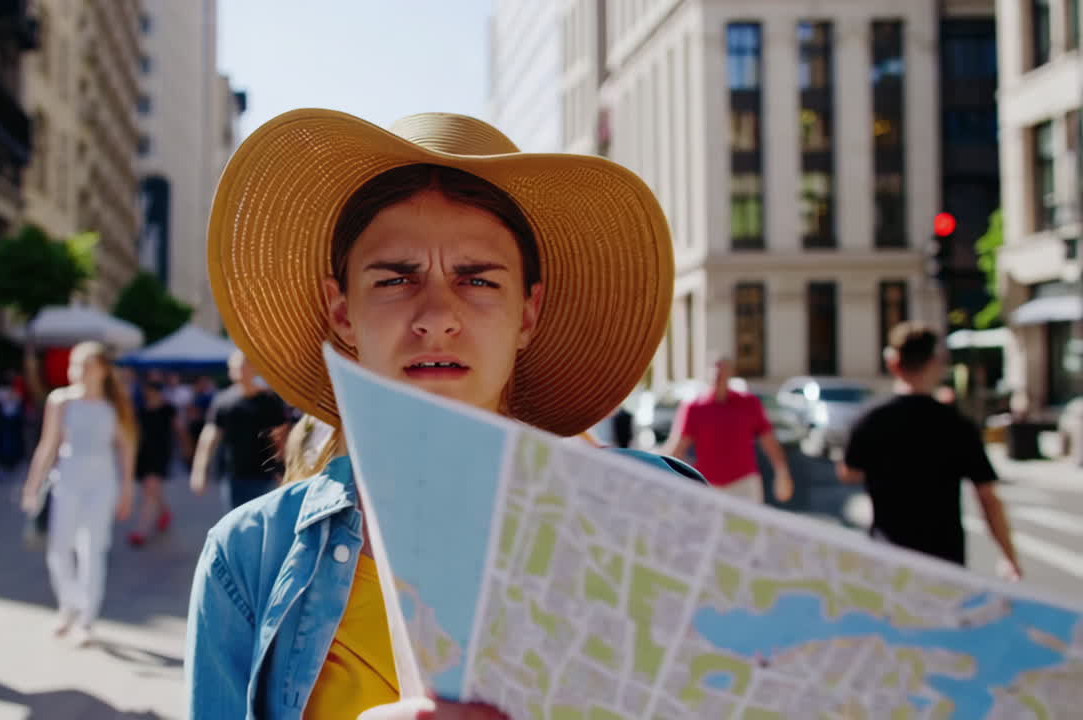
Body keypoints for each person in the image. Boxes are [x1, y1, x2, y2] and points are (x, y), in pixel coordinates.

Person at [185, 109, 703, 719]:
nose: (437, 315)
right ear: (342, 312)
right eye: (395, 279)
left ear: (528, 315)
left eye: (478, 281)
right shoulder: (247, 557)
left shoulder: (653, 511)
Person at [840, 322, 1022, 578]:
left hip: (888, 557)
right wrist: (1009, 557)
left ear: (893, 364)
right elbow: (987, 497)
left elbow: (849, 472)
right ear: (935, 363)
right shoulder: (956, 424)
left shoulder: (872, 419)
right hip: (944, 560)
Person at [22, 341, 136, 647]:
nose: (77, 371)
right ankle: (68, 605)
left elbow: (126, 448)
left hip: (102, 481)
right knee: (59, 547)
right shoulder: (61, 401)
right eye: (75, 364)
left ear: (101, 369)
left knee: (93, 548)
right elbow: (48, 445)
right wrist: (33, 485)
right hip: (68, 478)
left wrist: (127, 488)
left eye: (85, 365)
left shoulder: (114, 404)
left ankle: (87, 617)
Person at [666, 355, 794, 504]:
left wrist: (782, 472)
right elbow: (678, 447)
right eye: (714, 372)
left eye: (722, 371)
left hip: (744, 483)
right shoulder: (694, 407)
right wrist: (654, 467)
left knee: (748, 526)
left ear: (731, 374)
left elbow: (769, 441)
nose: (718, 376)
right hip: (708, 484)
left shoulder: (749, 403)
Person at [189, 351, 293, 510]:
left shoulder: (270, 401)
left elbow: (280, 438)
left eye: (244, 365)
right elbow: (209, 438)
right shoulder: (222, 401)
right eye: (236, 366)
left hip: (265, 476)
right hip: (233, 475)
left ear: (254, 368)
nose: (240, 369)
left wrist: (286, 471)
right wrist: (200, 470)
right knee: (237, 524)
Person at [129, 380, 177, 546]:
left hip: (160, 455)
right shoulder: (140, 411)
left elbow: (179, 429)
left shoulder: (168, 410)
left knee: (150, 492)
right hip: (143, 456)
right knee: (153, 491)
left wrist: (187, 450)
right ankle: (164, 512)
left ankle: (140, 531)